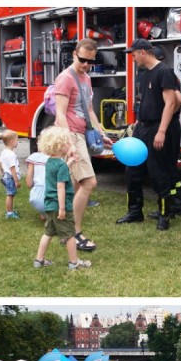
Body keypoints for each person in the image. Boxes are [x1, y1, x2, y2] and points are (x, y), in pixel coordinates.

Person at [53, 38, 113, 252]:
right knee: (90, 182)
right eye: (83, 59)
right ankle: (74, 233)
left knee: (77, 186)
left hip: (82, 135)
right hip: (71, 137)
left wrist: (100, 133)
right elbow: (60, 113)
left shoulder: (86, 79)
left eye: (91, 62)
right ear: (74, 55)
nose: (87, 64)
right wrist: (68, 142)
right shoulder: (65, 79)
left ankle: (64, 231)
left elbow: (89, 110)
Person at [118, 39, 181, 230]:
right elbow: (147, 100)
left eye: (133, 54)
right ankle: (134, 212)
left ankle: (165, 215)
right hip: (143, 127)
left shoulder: (164, 71)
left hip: (158, 128)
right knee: (132, 170)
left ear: (143, 52)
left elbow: (172, 103)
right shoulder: (146, 73)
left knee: (158, 173)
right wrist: (139, 121)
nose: (132, 58)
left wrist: (162, 131)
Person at [33, 125, 91, 270]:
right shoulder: (61, 167)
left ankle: (38, 260)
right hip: (59, 207)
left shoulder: (50, 163)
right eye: (66, 142)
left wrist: (70, 162)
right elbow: (60, 187)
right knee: (70, 234)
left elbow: (60, 169)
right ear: (59, 146)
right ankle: (74, 262)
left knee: (48, 233)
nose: (69, 145)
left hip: (49, 206)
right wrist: (63, 208)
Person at [0, 129, 21, 219]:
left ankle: (9, 210)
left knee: (10, 194)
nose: (18, 142)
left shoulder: (4, 152)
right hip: (11, 177)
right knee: (10, 195)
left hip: (6, 176)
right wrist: (16, 181)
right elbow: (12, 168)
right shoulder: (11, 154)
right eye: (17, 140)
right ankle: (9, 213)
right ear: (12, 142)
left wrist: (2, 172)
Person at [25, 150, 49, 217]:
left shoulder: (34, 157)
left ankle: (43, 213)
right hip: (52, 197)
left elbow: (29, 183)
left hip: (36, 197)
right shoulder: (58, 160)